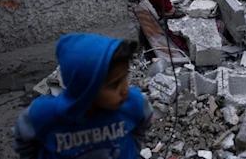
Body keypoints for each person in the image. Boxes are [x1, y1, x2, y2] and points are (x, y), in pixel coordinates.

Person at [13, 33, 153, 158]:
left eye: (124, 78)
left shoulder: (133, 103)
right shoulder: (46, 115)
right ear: (85, 90)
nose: (125, 89)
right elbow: (24, 141)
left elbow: (142, 124)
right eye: (114, 85)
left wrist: (132, 150)